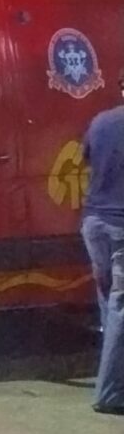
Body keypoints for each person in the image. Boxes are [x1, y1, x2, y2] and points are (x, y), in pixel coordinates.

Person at [82, 85, 124, 415]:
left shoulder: (99, 121)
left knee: (109, 303)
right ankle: (109, 393)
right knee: (120, 307)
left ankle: (112, 379)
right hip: (121, 226)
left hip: (94, 224)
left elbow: (87, 159)